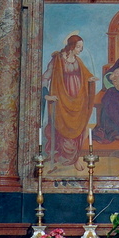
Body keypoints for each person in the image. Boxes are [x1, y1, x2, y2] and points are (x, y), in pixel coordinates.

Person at [42, 35, 96, 165]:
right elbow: (45, 78)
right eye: (78, 47)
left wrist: (90, 80)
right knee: (62, 128)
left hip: (78, 101)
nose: (80, 50)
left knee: (77, 128)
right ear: (71, 46)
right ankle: (62, 157)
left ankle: (74, 158)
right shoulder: (57, 60)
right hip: (61, 101)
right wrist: (46, 95)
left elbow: (86, 75)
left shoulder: (78, 61)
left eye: (81, 47)